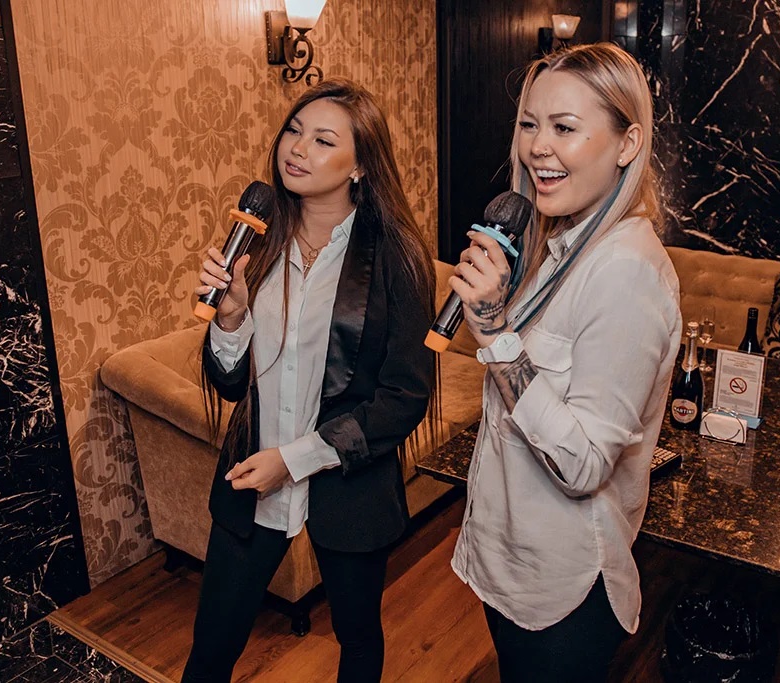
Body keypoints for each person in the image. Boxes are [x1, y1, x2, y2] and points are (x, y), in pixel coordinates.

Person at [184, 78, 436, 683]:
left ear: (361, 165)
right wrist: (231, 317)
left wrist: (294, 461)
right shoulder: (257, 241)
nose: (298, 148)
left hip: (350, 488)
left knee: (358, 640)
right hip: (250, 478)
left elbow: (404, 398)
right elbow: (230, 384)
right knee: (211, 649)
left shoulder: (397, 257)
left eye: (324, 140)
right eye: (294, 130)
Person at [448, 43, 683, 682]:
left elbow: (582, 465)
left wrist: (495, 332)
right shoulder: (557, 245)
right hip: (510, 564)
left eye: (565, 128)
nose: (538, 148)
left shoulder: (625, 273)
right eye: (530, 124)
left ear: (627, 143)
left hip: (564, 591)